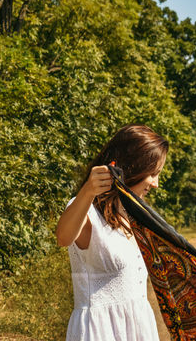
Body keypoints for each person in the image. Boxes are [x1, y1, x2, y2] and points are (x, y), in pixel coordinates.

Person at [55, 124, 167, 341]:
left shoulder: (137, 214)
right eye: (153, 174)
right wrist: (88, 190)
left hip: (139, 328)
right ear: (134, 167)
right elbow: (63, 237)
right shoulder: (87, 209)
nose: (155, 184)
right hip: (99, 332)